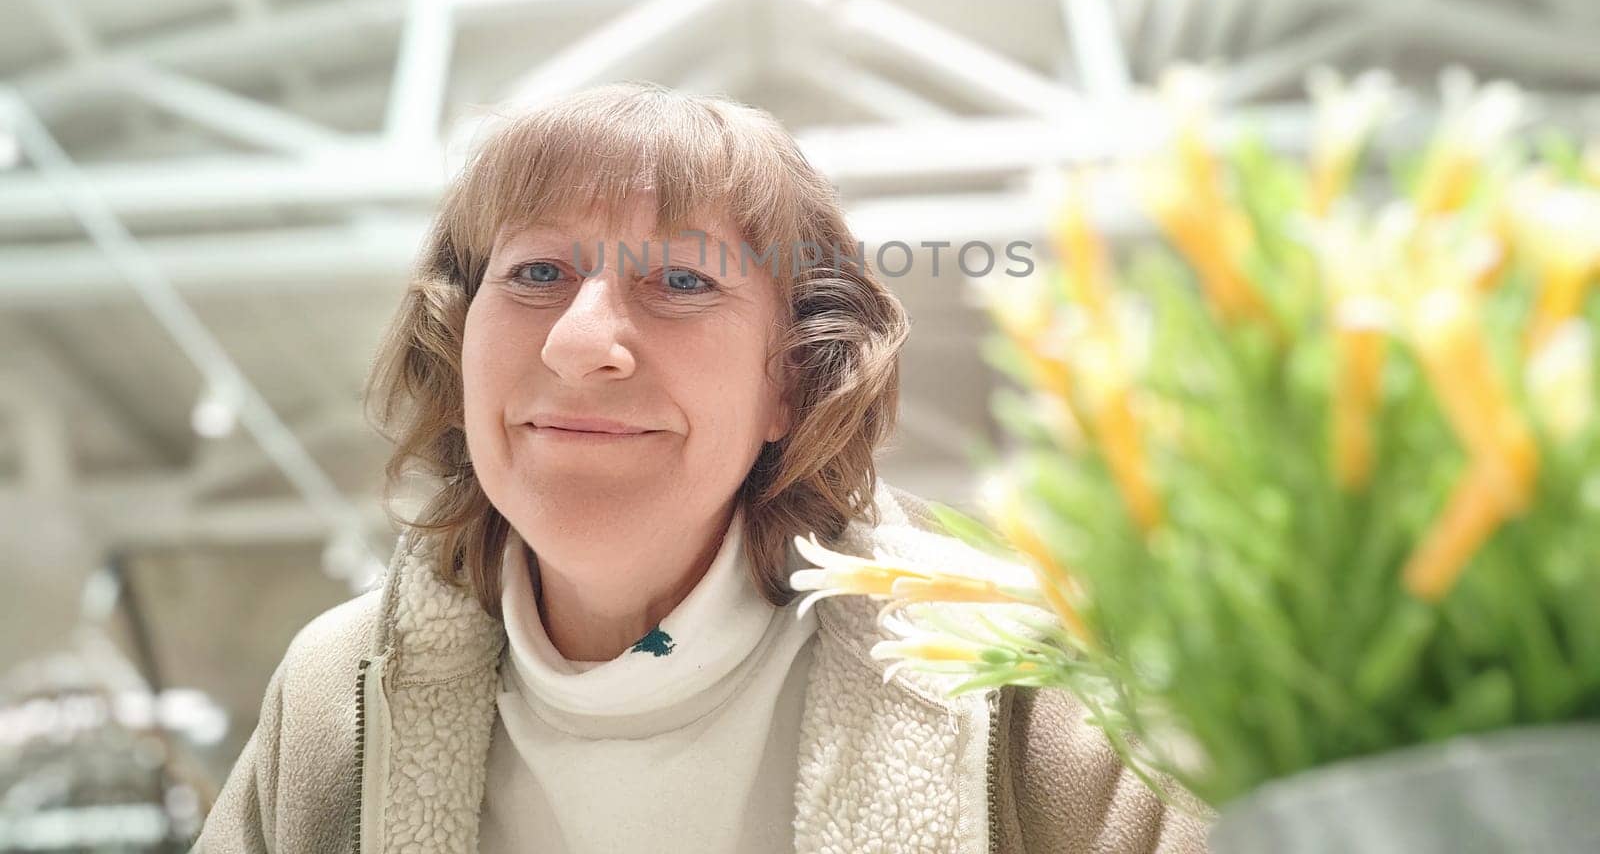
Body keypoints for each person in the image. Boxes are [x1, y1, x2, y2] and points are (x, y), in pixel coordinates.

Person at [193, 81, 1209, 853]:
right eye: (537, 273)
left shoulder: (1021, 671)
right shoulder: (336, 694)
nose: (580, 341)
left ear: (793, 380)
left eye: (681, 280)